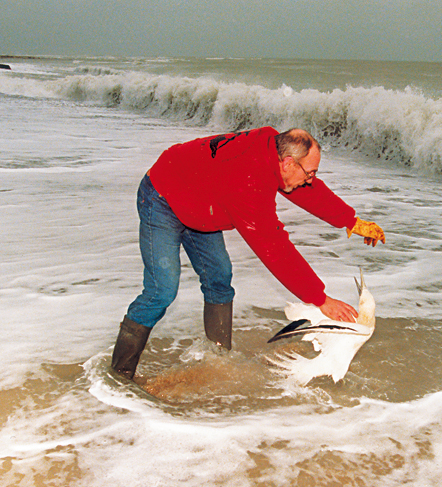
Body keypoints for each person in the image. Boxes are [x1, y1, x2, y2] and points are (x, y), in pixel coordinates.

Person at [111, 127, 385, 379]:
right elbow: (273, 247)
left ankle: (218, 359)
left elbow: (303, 189)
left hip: (200, 203)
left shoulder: (273, 147)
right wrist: (320, 298)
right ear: (288, 162)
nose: (311, 179)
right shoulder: (248, 181)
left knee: (219, 280)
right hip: (163, 197)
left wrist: (350, 221)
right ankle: (120, 374)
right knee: (162, 291)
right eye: (310, 173)